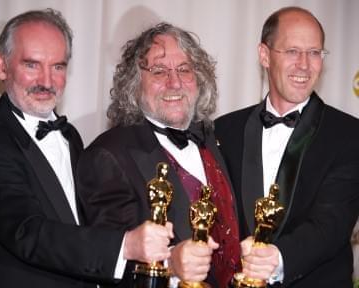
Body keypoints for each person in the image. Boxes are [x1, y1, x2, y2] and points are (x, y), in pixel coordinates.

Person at [0, 9, 173, 288]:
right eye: (32, 65)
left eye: (58, 66)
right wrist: (125, 246)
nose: (46, 81)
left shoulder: (70, 137)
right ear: (2, 66)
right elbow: (28, 233)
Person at [77, 22, 241, 288]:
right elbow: (111, 261)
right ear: (134, 83)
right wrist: (171, 266)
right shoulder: (106, 156)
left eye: (184, 70)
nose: (174, 83)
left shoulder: (211, 138)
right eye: (159, 71)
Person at [215, 6, 359, 288]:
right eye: (292, 51)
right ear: (265, 55)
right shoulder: (224, 130)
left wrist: (277, 258)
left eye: (314, 52)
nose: (304, 64)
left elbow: (331, 225)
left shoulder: (350, 135)